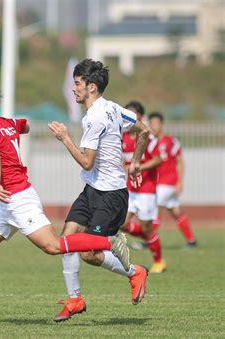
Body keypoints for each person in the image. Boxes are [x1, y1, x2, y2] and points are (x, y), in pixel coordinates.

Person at [0, 80, 130, 323]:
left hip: (18, 199)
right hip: (6, 205)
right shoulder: (5, 124)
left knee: (53, 246)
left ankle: (107, 242)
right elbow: (25, 126)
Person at [48, 59, 149, 322]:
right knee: (68, 237)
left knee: (89, 253)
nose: (73, 88)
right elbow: (144, 130)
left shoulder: (94, 118)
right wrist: (135, 162)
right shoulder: (113, 108)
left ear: (91, 87)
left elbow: (86, 161)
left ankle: (134, 271)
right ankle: (75, 300)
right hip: (93, 189)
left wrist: (65, 138)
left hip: (111, 196)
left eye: (78, 83)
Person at [119, 101, 166, 273]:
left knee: (146, 228)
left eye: (133, 114)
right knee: (121, 223)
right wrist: (124, 167)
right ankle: (149, 238)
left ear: (140, 116)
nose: (129, 118)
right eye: (126, 114)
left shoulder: (148, 138)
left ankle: (159, 260)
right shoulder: (121, 138)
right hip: (130, 189)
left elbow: (158, 159)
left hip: (146, 190)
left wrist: (139, 167)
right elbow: (123, 161)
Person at [149, 112, 197, 248]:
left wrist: (180, 181)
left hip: (168, 182)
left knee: (155, 208)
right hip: (158, 183)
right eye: (151, 124)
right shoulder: (151, 142)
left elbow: (180, 161)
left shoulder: (170, 141)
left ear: (161, 125)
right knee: (176, 211)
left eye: (156, 124)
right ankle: (191, 240)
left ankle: (149, 239)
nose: (154, 127)